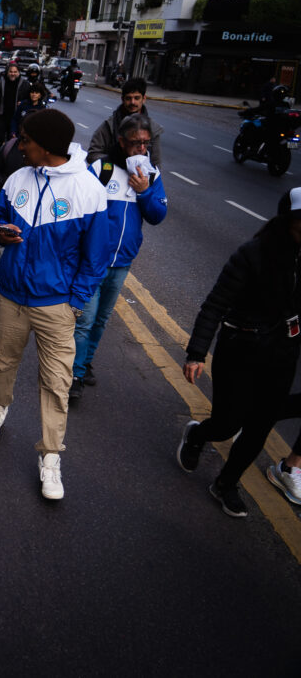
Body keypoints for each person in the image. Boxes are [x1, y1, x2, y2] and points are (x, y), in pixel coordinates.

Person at [0, 109, 109, 501]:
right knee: (4, 362)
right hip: (13, 296)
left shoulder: (88, 190)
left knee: (56, 382)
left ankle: (51, 456)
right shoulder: (19, 176)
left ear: (47, 147)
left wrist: (75, 302)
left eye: (26, 140)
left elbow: (97, 258)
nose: (20, 146)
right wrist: (0, 233)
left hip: (56, 306)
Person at [176, 188, 301, 515]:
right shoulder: (254, 254)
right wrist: (196, 353)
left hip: (282, 356)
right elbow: (215, 304)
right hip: (240, 352)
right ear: (289, 220)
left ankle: (226, 484)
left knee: (260, 426)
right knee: (227, 424)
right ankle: (198, 434)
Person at [71, 114, 167, 399]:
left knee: (101, 319)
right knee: (84, 320)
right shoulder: (102, 168)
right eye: (135, 143)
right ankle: (73, 375)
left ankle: (85, 363)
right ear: (122, 142)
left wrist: (145, 192)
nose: (141, 149)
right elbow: (80, 209)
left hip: (122, 263)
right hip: (92, 263)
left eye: (146, 144)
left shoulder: (151, 175)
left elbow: (158, 215)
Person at [88, 77, 164, 167]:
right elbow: (92, 155)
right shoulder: (110, 125)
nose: (132, 102)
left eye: (136, 98)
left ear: (143, 99)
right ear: (122, 99)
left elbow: (156, 164)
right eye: (128, 98)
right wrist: (117, 163)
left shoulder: (153, 128)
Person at [0, 64, 28, 154]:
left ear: (19, 73)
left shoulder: (24, 84)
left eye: (15, 72)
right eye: (11, 72)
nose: (13, 74)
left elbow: (29, 99)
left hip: (15, 118)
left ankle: (7, 163)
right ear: (7, 72)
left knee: (11, 142)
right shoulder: (0, 81)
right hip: (1, 116)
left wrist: (23, 103)